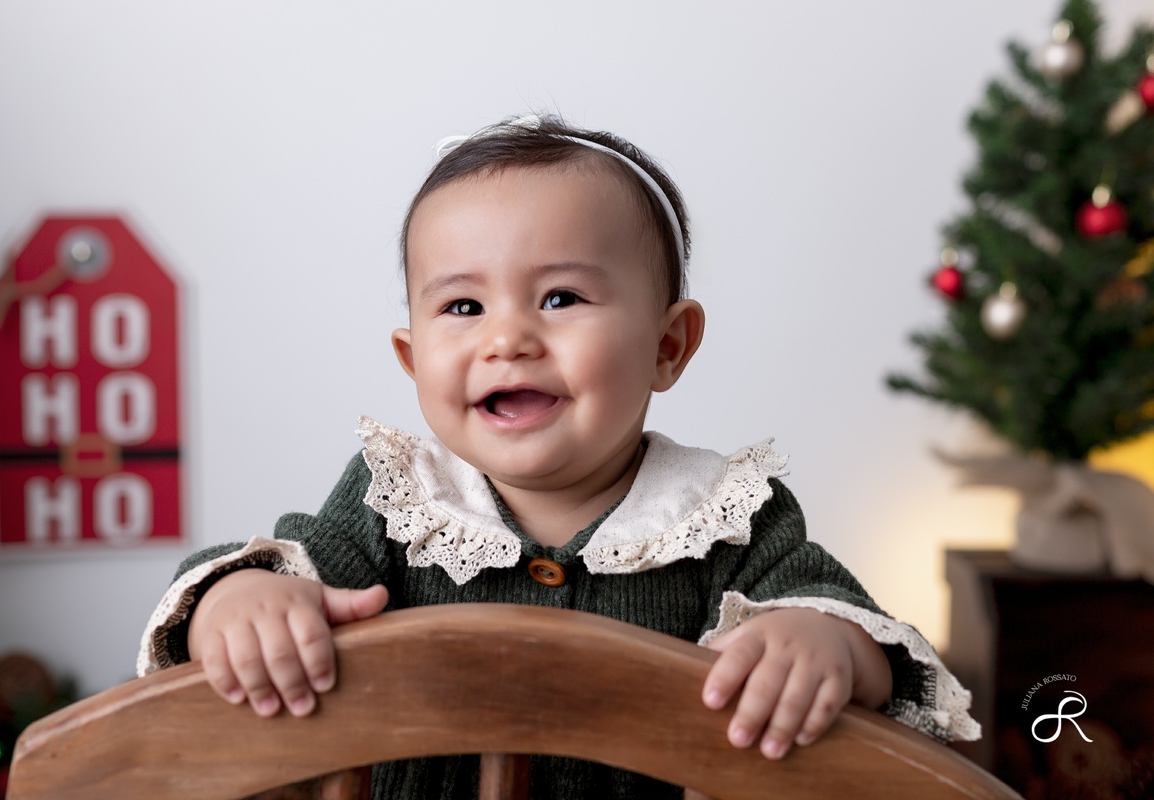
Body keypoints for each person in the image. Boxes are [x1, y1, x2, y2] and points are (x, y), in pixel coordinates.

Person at [138, 114, 979, 799]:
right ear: (411, 359)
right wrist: (240, 600)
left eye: (561, 297)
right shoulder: (396, 502)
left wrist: (825, 643)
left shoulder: (724, 516)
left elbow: (859, 634)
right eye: (463, 307)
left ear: (668, 346)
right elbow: (284, 568)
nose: (508, 338)